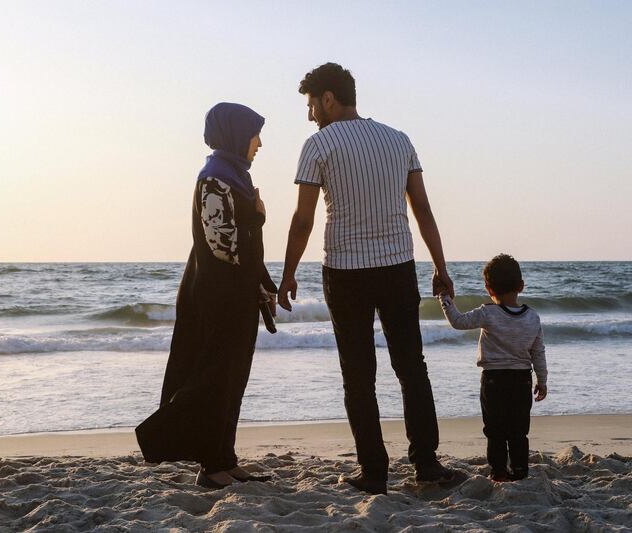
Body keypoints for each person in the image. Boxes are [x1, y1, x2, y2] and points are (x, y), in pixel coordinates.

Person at [277, 63, 455, 495]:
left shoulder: (318, 145)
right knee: (412, 367)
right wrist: (440, 267)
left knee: (358, 375)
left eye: (310, 104)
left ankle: (374, 472)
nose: (310, 115)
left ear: (328, 99)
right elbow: (423, 210)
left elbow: (303, 220)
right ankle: (426, 464)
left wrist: (287, 274)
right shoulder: (399, 140)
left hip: (345, 272)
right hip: (397, 267)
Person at [136, 103, 277, 489]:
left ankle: (224, 459)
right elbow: (222, 243)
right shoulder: (215, 177)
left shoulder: (235, 176)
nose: (259, 143)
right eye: (254, 134)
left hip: (235, 294)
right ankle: (210, 465)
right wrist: (259, 216)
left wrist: (260, 285)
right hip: (217, 297)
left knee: (232, 378)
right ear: (234, 134)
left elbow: (242, 246)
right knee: (215, 377)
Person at [438, 254, 547, 481]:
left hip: (493, 381)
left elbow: (458, 321)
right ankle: (519, 470)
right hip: (522, 380)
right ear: (521, 286)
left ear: (489, 288)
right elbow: (538, 352)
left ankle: (498, 472)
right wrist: (542, 380)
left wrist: (444, 297)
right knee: (518, 431)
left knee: (495, 431)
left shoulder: (488, 313)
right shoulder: (533, 317)